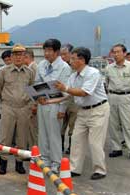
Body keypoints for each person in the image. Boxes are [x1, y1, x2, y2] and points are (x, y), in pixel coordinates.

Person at [55, 47, 110, 180]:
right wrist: (49, 101)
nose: (70, 61)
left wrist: (65, 88)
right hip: (83, 111)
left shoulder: (93, 73)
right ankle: (75, 168)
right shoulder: (73, 76)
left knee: (95, 142)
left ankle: (100, 170)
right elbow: (67, 94)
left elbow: (84, 92)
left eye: (73, 58)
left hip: (98, 110)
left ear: (82, 60)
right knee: (76, 139)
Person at [0, 44, 35, 175]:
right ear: (11, 57)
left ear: (25, 57)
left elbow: (32, 90)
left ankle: (19, 163)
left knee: (22, 137)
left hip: (24, 108)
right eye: (16, 55)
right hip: (8, 107)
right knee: (5, 136)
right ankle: (3, 164)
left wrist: (29, 105)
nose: (18, 57)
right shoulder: (3, 71)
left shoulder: (30, 72)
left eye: (21, 55)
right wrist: (6, 102)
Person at [35, 39, 72, 173]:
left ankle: (56, 162)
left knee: (54, 134)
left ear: (56, 52)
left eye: (49, 50)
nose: (46, 53)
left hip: (56, 104)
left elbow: (65, 90)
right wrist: (38, 97)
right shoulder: (41, 65)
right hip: (43, 103)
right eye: (45, 50)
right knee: (43, 132)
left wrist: (62, 108)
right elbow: (37, 82)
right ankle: (44, 159)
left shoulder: (64, 67)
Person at [106, 44, 130, 161]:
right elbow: (106, 83)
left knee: (128, 125)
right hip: (112, 97)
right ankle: (117, 148)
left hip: (126, 97)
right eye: (114, 52)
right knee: (113, 124)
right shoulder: (109, 68)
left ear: (125, 53)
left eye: (118, 52)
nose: (115, 54)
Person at [60, 43, 78, 154]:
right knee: (60, 125)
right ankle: (59, 146)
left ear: (71, 54)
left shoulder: (76, 67)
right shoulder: (60, 67)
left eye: (65, 54)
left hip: (73, 100)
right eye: (61, 54)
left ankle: (72, 147)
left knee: (73, 125)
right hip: (61, 100)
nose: (62, 57)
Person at [23, 48, 39, 147]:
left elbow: (34, 88)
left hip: (32, 103)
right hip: (30, 103)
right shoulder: (32, 67)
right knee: (30, 129)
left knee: (33, 129)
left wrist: (34, 104)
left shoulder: (33, 68)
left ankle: (35, 152)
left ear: (27, 57)